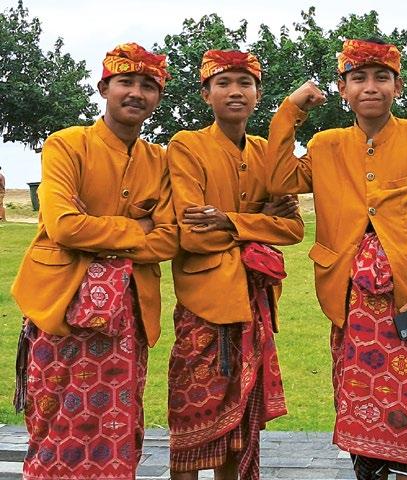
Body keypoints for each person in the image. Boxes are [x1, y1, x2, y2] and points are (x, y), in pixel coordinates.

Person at [267, 37, 407, 479]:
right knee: (354, 403)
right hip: (347, 298)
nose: (370, 87)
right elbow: (277, 178)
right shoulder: (326, 145)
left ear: (398, 86)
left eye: (381, 77)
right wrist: (291, 110)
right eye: (358, 78)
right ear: (343, 88)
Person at [11, 42, 177, 479]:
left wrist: (97, 231)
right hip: (59, 305)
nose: (136, 93)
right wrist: (137, 228)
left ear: (158, 97)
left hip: (129, 315)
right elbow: (64, 226)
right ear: (104, 88)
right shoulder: (67, 145)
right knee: (54, 423)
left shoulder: (160, 161)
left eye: (148, 86)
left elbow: (169, 239)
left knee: (120, 427)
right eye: (126, 82)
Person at [166, 49, 303, 480]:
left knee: (241, 430)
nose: (235, 91)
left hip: (253, 305)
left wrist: (229, 220)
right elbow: (193, 233)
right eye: (223, 83)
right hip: (203, 304)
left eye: (245, 83)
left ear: (258, 94)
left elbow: (293, 229)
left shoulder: (268, 153)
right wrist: (261, 219)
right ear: (206, 94)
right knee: (189, 423)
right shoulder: (187, 146)